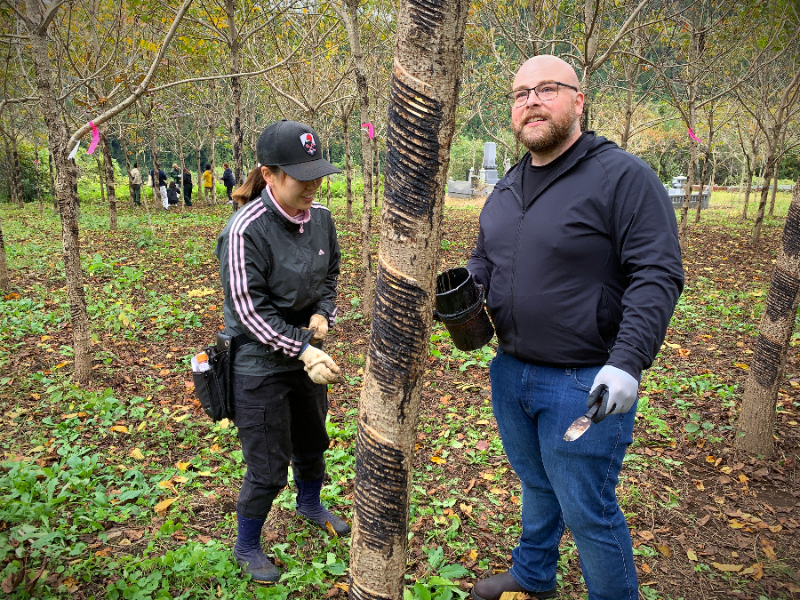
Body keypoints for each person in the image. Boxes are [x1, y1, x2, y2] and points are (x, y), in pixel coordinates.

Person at [465, 55, 684, 600]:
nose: (531, 101)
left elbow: (657, 272)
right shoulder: (509, 184)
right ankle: (534, 575)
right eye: (520, 94)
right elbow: (485, 257)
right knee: (537, 484)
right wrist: (466, 287)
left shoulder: (621, 177)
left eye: (546, 89)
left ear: (579, 100)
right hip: (512, 372)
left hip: (582, 382)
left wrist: (628, 359)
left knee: (588, 511)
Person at [214, 120, 346, 584]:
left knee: (313, 441)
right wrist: (304, 351)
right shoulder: (243, 231)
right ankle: (246, 544)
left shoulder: (322, 218)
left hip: (305, 355)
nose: (312, 185)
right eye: (299, 175)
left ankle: (310, 502)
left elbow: (330, 274)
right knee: (268, 466)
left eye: (317, 173)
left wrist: (324, 313)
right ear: (268, 175)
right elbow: (249, 312)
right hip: (259, 365)